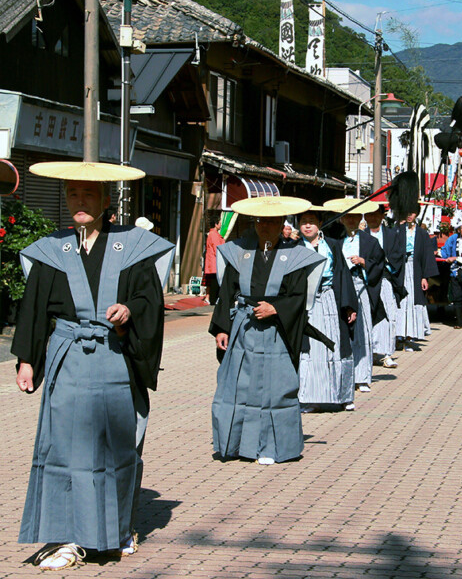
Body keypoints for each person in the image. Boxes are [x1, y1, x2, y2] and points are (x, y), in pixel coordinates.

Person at [12, 161, 174, 571]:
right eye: (72, 194)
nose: (79, 202)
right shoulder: (52, 249)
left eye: (88, 194)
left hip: (115, 359)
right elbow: (33, 309)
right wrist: (28, 360)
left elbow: (149, 300)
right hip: (67, 359)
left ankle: (116, 531)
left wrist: (129, 312)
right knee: (63, 448)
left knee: (116, 448)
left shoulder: (133, 246)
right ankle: (67, 537)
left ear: (106, 200)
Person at [209, 196, 327, 465]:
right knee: (239, 385)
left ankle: (271, 446)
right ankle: (237, 444)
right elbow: (227, 292)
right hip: (243, 326)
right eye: (262, 221)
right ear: (255, 222)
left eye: (273, 221)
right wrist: (221, 328)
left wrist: (276, 309)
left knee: (275, 389)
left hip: (276, 331)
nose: (266, 226)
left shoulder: (296, 255)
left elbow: (299, 297)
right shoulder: (238, 251)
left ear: (282, 225)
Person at [297, 207, 358, 412]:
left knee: (336, 345)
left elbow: (343, 275)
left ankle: (343, 396)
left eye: (311, 221)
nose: (307, 225)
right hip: (305, 305)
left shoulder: (331, 245)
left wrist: (349, 306)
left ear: (320, 224)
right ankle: (309, 398)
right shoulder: (293, 247)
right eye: (303, 221)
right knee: (310, 349)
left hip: (330, 298)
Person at [323, 198, 385, 392]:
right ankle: (341, 376)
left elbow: (379, 265)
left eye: (355, 217)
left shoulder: (370, 241)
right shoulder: (333, 241)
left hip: (359, 285)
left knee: (361, 331)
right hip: (338, 288)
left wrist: (364, 262)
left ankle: (362, 377)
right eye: (347, 217)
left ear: (361, 218)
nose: (351, 220)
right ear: (342, 219)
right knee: (339, 330)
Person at [391, 204, 438, 351]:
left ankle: (410, 336)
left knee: (412, 301)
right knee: (400, 301)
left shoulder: (422, 233)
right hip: (400, 270)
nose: (409, 215)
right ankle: (398, 335)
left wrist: (425, 277)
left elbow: (426, 256)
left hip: (415, 270)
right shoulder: (397, 230)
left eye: (412, 212)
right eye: (406, 212)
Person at [364, 204, 405, 368]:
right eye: (369, 214)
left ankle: (387, 353)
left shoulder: (391, 235)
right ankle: (370, 352)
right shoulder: (361, 235)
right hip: (367, 282)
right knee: (368, 316)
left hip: (385, 280)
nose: (372, 218)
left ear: (382, 216)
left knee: (388, 316)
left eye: (376, 214)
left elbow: (397, 256)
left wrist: (382, 261)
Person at [204, 215, 225, 304]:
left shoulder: (211, 234)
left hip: (211, 262)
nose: (220, 224)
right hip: (215, 262)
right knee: (215, 282)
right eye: (220, 223)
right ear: (216, 224)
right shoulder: (214, 235)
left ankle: (211, 298)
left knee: (212, 281)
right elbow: (218, 249)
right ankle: (213, 299)